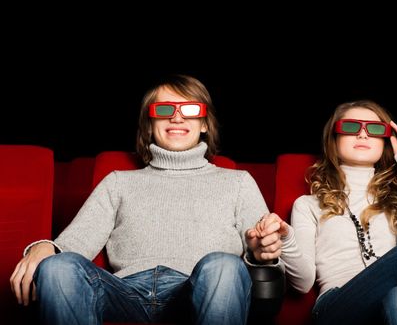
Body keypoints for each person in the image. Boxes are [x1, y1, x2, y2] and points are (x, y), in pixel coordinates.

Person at [10, 74, 282, 325]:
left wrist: (261, 255)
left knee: (223, 264)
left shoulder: (238, 182)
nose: (176, 118)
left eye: (189, 110)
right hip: (124, 293)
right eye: (164, 110)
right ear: (149, 125)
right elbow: (72, 246)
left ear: (205, 124)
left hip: (197, 289)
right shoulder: (118, 182)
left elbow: (265, 255)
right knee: (58, 266)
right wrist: (44, 246)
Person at [253, 100, 397, 324]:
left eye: (375, 129)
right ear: (333, 140)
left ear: (385, 142)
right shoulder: (307, 205)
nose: (363, 134)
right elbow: (302, 283)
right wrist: (287, 239)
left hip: (390, 303)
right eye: (351, 127)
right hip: (335, 308)